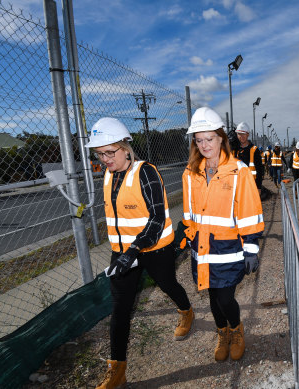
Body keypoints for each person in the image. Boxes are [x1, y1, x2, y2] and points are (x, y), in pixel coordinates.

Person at [85, 117, 194, 389]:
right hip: (122, 252)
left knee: (168, 284)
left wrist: (134, 249)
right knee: (120, 308)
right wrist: (125, 252)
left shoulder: (145, 172)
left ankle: (186, 310)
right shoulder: (109, 174)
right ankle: (117, 370)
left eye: (110, 152)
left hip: (153, 247)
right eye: (100, 154)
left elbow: (157, 217)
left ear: (126, 148)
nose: (105, 159)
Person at [182, 107, 264, 362]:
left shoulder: (239, 171)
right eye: (199, 140)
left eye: (209, 138)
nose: (205, 145)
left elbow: (249, 211)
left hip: (229, 249)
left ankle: (236, 329)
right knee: (212, 296)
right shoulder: (190, 173)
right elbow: (189, 212)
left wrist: (251, 247)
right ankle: (222, 333)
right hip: (202, 249)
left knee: (226, 297)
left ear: (221, 138)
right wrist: (187, 237)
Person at [233, 122, 264, 191]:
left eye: (244, 134)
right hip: (237, 186)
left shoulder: (254, 150)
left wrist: (258, 187)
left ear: (248, 135)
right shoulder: (235, 150)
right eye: (239, 134)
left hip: (251, 186)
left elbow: (259, 170)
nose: (241, 136)